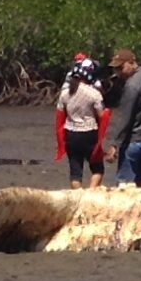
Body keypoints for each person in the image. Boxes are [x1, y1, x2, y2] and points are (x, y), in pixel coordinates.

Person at [104, 48, 141, 186]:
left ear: (131, 63)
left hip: (136, 139)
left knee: (125, 184)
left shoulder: (132, 85)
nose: (118, 72)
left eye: (120, 67)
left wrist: (115, 144)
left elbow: (126, 117)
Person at [55, 54, 106, 189]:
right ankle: (90, 193)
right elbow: (102, 115)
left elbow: (60, 115)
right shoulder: (94, 94)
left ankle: (78, 196)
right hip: (89, 133)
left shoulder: (65, 93)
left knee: (75, 172)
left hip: (71, 134)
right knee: (97, 168)